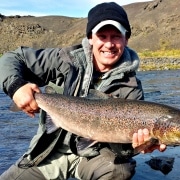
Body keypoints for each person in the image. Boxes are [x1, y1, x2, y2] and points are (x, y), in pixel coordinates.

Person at [0, 2, 166, 180]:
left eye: (116, 36)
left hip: (94, 156)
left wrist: (136, 147)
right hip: (49, 151)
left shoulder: (131, 88)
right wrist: (16, 87)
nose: (109, 44)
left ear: (126, 39)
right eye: (102, 36)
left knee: (120, 170)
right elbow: (12, 58)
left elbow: (120, 150)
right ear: (90, 38)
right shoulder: (63, 60)